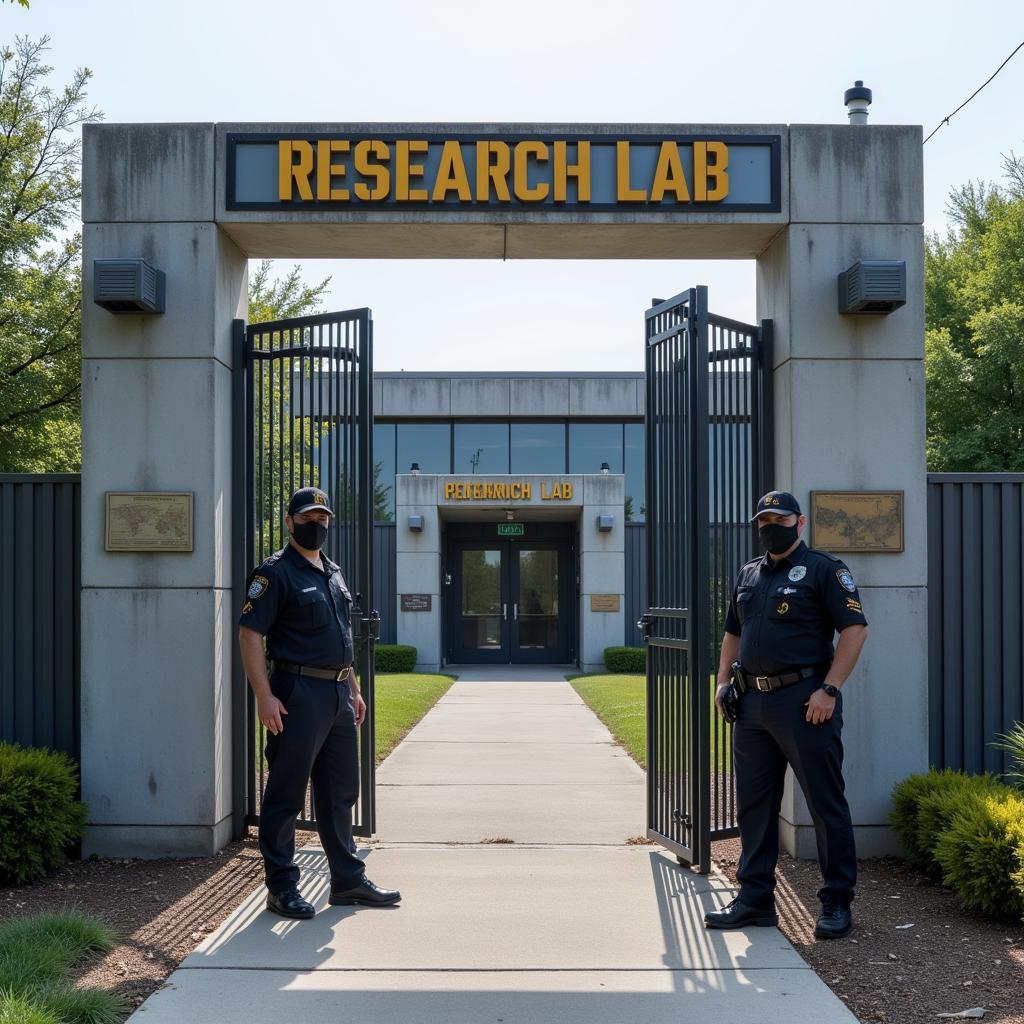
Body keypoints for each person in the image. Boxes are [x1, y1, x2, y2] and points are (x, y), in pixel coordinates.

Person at [704, 490, 868, 940]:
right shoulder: (749, 573)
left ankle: (837, 901)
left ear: (800, 523)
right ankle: (755, 899)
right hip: (752, 705)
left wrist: (829, 689)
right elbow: (731, 633)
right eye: (763, 520)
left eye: (779, 517)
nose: (769, 525)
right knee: (755, 805)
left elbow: (855, 630)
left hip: (805, 703)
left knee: (824, 801)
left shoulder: (824, 570)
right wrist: (722, 682)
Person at [238, 486, 400, 919]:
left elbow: (343, 638)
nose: (317, 525)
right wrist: (263, 695)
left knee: (341, 791)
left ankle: (347, 881)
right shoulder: (274, 573)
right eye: (307, 518)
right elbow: (250, 633)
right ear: (289, 522)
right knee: (287, 793)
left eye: (322, 518)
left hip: (338, 694)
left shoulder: (333, 572)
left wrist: (355, 688)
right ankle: (281, 887)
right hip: (297, 695)